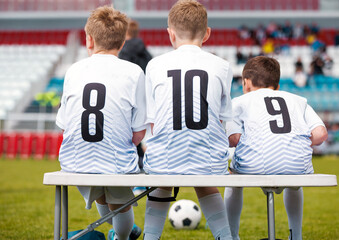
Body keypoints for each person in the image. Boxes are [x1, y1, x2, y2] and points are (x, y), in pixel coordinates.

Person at [142, 0, 233, 239]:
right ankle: (225, 236)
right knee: (205, 177)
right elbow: (222, 120)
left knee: (161, 180)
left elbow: (153, 122)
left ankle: (150, 237)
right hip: (210, 163)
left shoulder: (154, 65)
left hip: (163, 160)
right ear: (207, 34)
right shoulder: (222, 66)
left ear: (170, 34)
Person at [56, 6, 147, 240]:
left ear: (89, 39)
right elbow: (139, 133)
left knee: (103, 192)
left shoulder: (73, 70)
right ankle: (122, 237)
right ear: (122, 42)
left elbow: (64, 126)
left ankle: (117, 227)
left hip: (74, 160)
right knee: (121, 202)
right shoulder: (134, 72)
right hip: (116, 162)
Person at [224, 56, 328, 240]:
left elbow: (234, 139)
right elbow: (321, 134)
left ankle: (231, 236)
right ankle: (296, 236)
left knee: (233, 178)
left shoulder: (239, 101)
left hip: (254, 165)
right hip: (297, 165)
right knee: (294, 181)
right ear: (277, 85)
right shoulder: (298, 100)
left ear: (246, 83)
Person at [118, 19, 153, 196]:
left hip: (129, 97)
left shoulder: (123, 52)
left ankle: (134, 175)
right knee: (142, 136)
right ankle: (144, 170)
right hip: (147, 97)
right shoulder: (145, 51)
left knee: (129, 134)